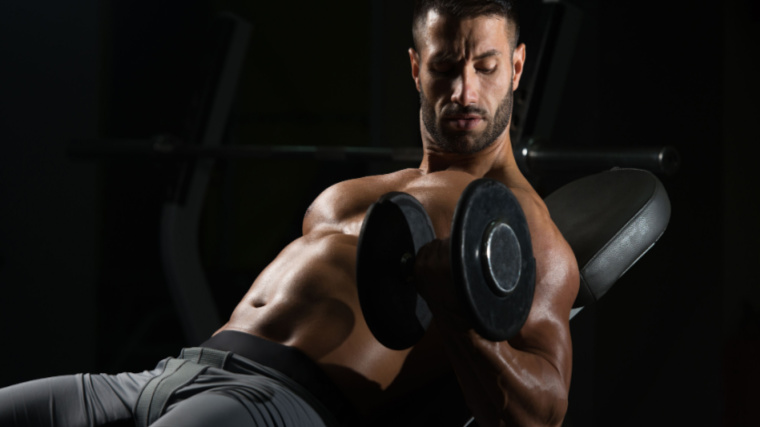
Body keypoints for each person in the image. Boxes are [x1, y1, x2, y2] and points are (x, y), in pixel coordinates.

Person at [0, 0, 579, 426]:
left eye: (485, 66)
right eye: (446, 67)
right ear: (414, 68)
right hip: (172, 373)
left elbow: (544, 412)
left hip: (274, 402)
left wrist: (457, 312)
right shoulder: (367, 188)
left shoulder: (522, 228)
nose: (464, 92)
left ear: (518, 68)